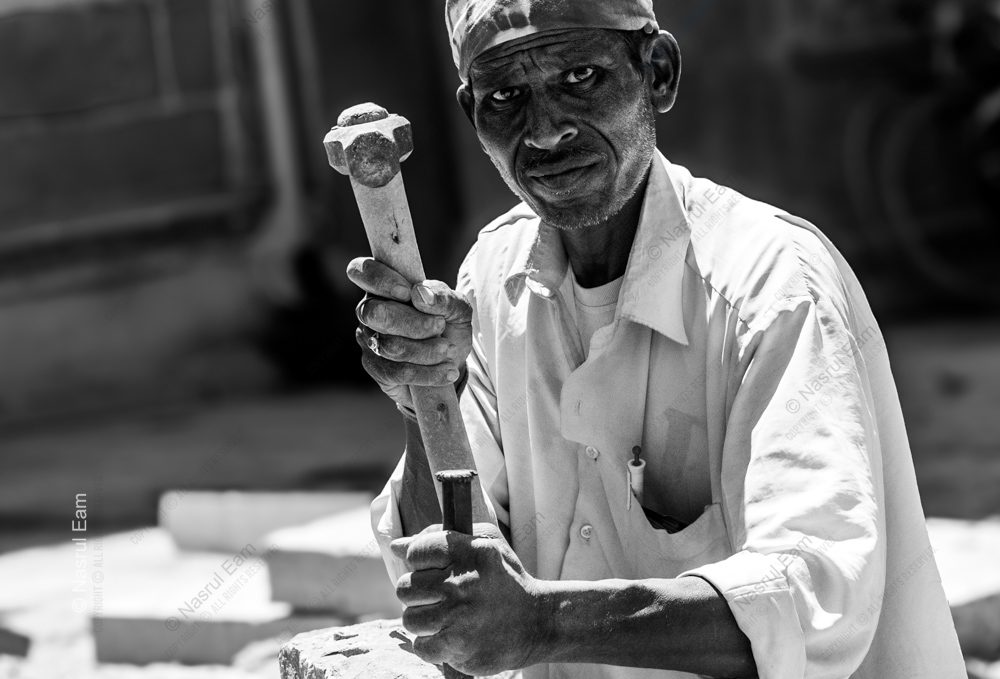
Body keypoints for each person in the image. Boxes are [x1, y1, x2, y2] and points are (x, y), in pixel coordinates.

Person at [348, 1, 967, 677]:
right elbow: (451, 575)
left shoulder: (772, 287)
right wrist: (424, 397)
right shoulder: (494, 279)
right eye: (505, 99)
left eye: (580, 78)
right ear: (473, 115)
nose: (546, 131)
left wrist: (545, 623)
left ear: (658, 72)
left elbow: (813, 600)